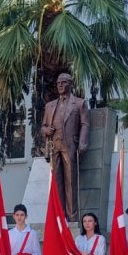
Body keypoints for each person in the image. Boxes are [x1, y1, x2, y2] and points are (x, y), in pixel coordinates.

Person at [40, 72, 90, 220]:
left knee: (70, 181)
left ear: (70, 84)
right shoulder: (50, 106)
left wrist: (82, 143)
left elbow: (85, 124)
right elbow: (43, 126)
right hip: (54, 146)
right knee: (57, 181)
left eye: (64, 82)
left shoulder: (80, 103)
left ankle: (72, 216)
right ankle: (60, 215)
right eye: (58, 83)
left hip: (70, 146)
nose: (60, 85)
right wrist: (46, 130)